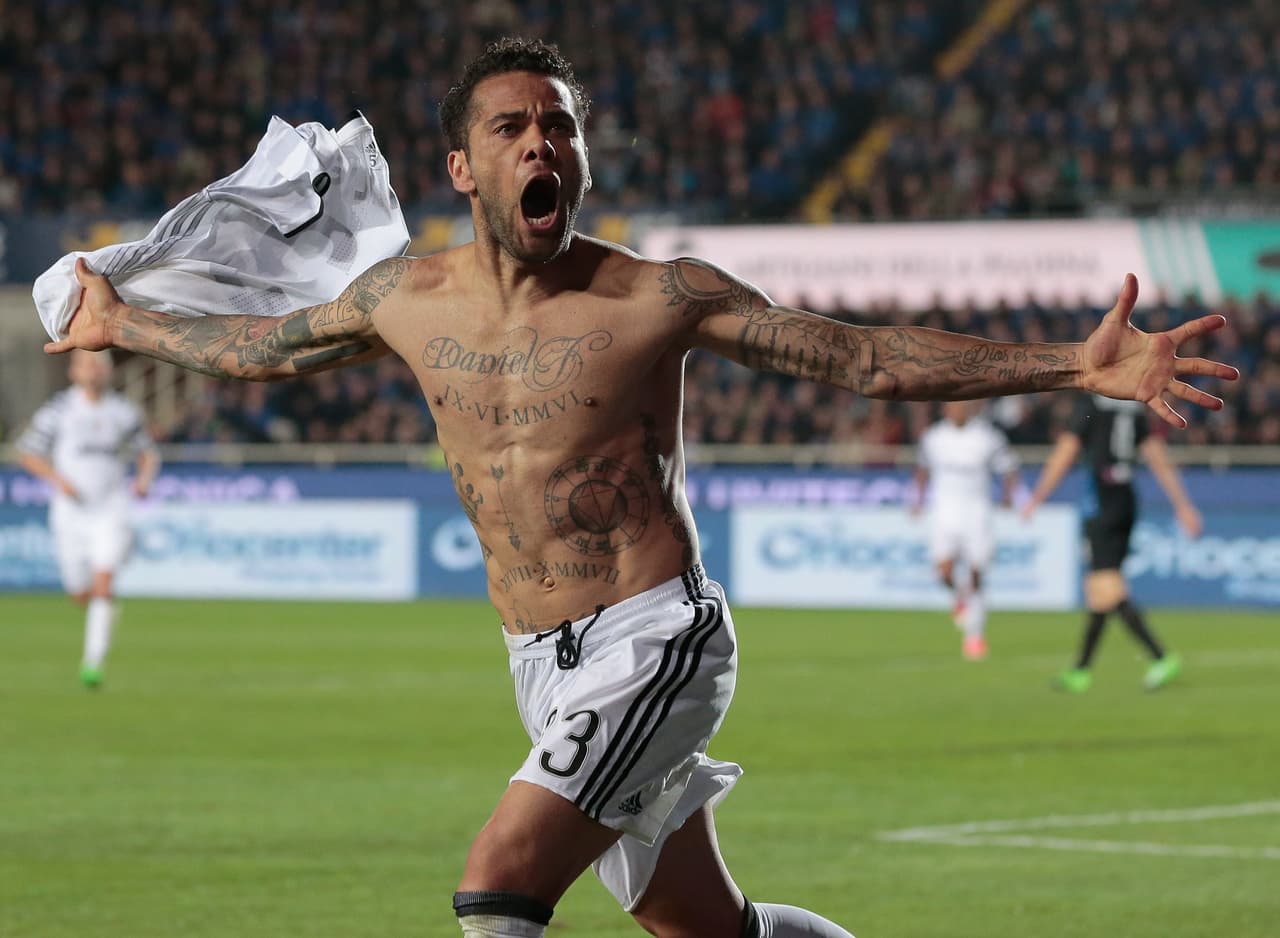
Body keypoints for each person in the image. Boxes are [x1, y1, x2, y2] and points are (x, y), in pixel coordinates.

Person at [47, 37, 1237, 938]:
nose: (541, 146)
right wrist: (124, 322)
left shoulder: (654, 297)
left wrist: (1070, 368)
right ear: (463, 164)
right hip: (535, 663)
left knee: (498, 880)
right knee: (709, 929)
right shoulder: (399, 301)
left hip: (652, 635)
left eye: (558, 126)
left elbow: (860, 355)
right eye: (512, 127)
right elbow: (265, 345)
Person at [1022, 394, 1203, 693]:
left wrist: (1037, 497)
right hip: (1126, 500)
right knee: (1100, 590)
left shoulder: (1090, 404)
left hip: (1102, 502)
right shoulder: (1133, 406)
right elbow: (1156, 455)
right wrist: (1182, 505)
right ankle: (1081, 671)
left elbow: (1066, 451)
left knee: (1106, 586)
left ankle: (1160, 657)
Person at [16, 349, 160, 688]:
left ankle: (92, 664)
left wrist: (142, 482)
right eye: (87, 364)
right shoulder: (59, 410)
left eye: (99, 364)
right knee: (80, 592)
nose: (93, 370)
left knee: (103, 584)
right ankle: (102, 610)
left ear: (109, 371)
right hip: (71, 512)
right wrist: (59, 481)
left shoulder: (123, 411)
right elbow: (27, 453)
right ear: (73, 372)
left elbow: (148, 454)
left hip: (111, 507)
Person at [912, 400, 1020, 661]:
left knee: (976, 572)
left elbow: (1008, 467)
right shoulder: (933, 437)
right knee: (944, 571)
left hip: (977, 513)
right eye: (952, 406)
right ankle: (960, 596)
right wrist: (917, 499)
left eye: (962, 406)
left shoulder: (987, 437)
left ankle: (974, 636)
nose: (957, 410)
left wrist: (1008, 496)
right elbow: (923, 469)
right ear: (945, 409)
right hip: (945, 512)